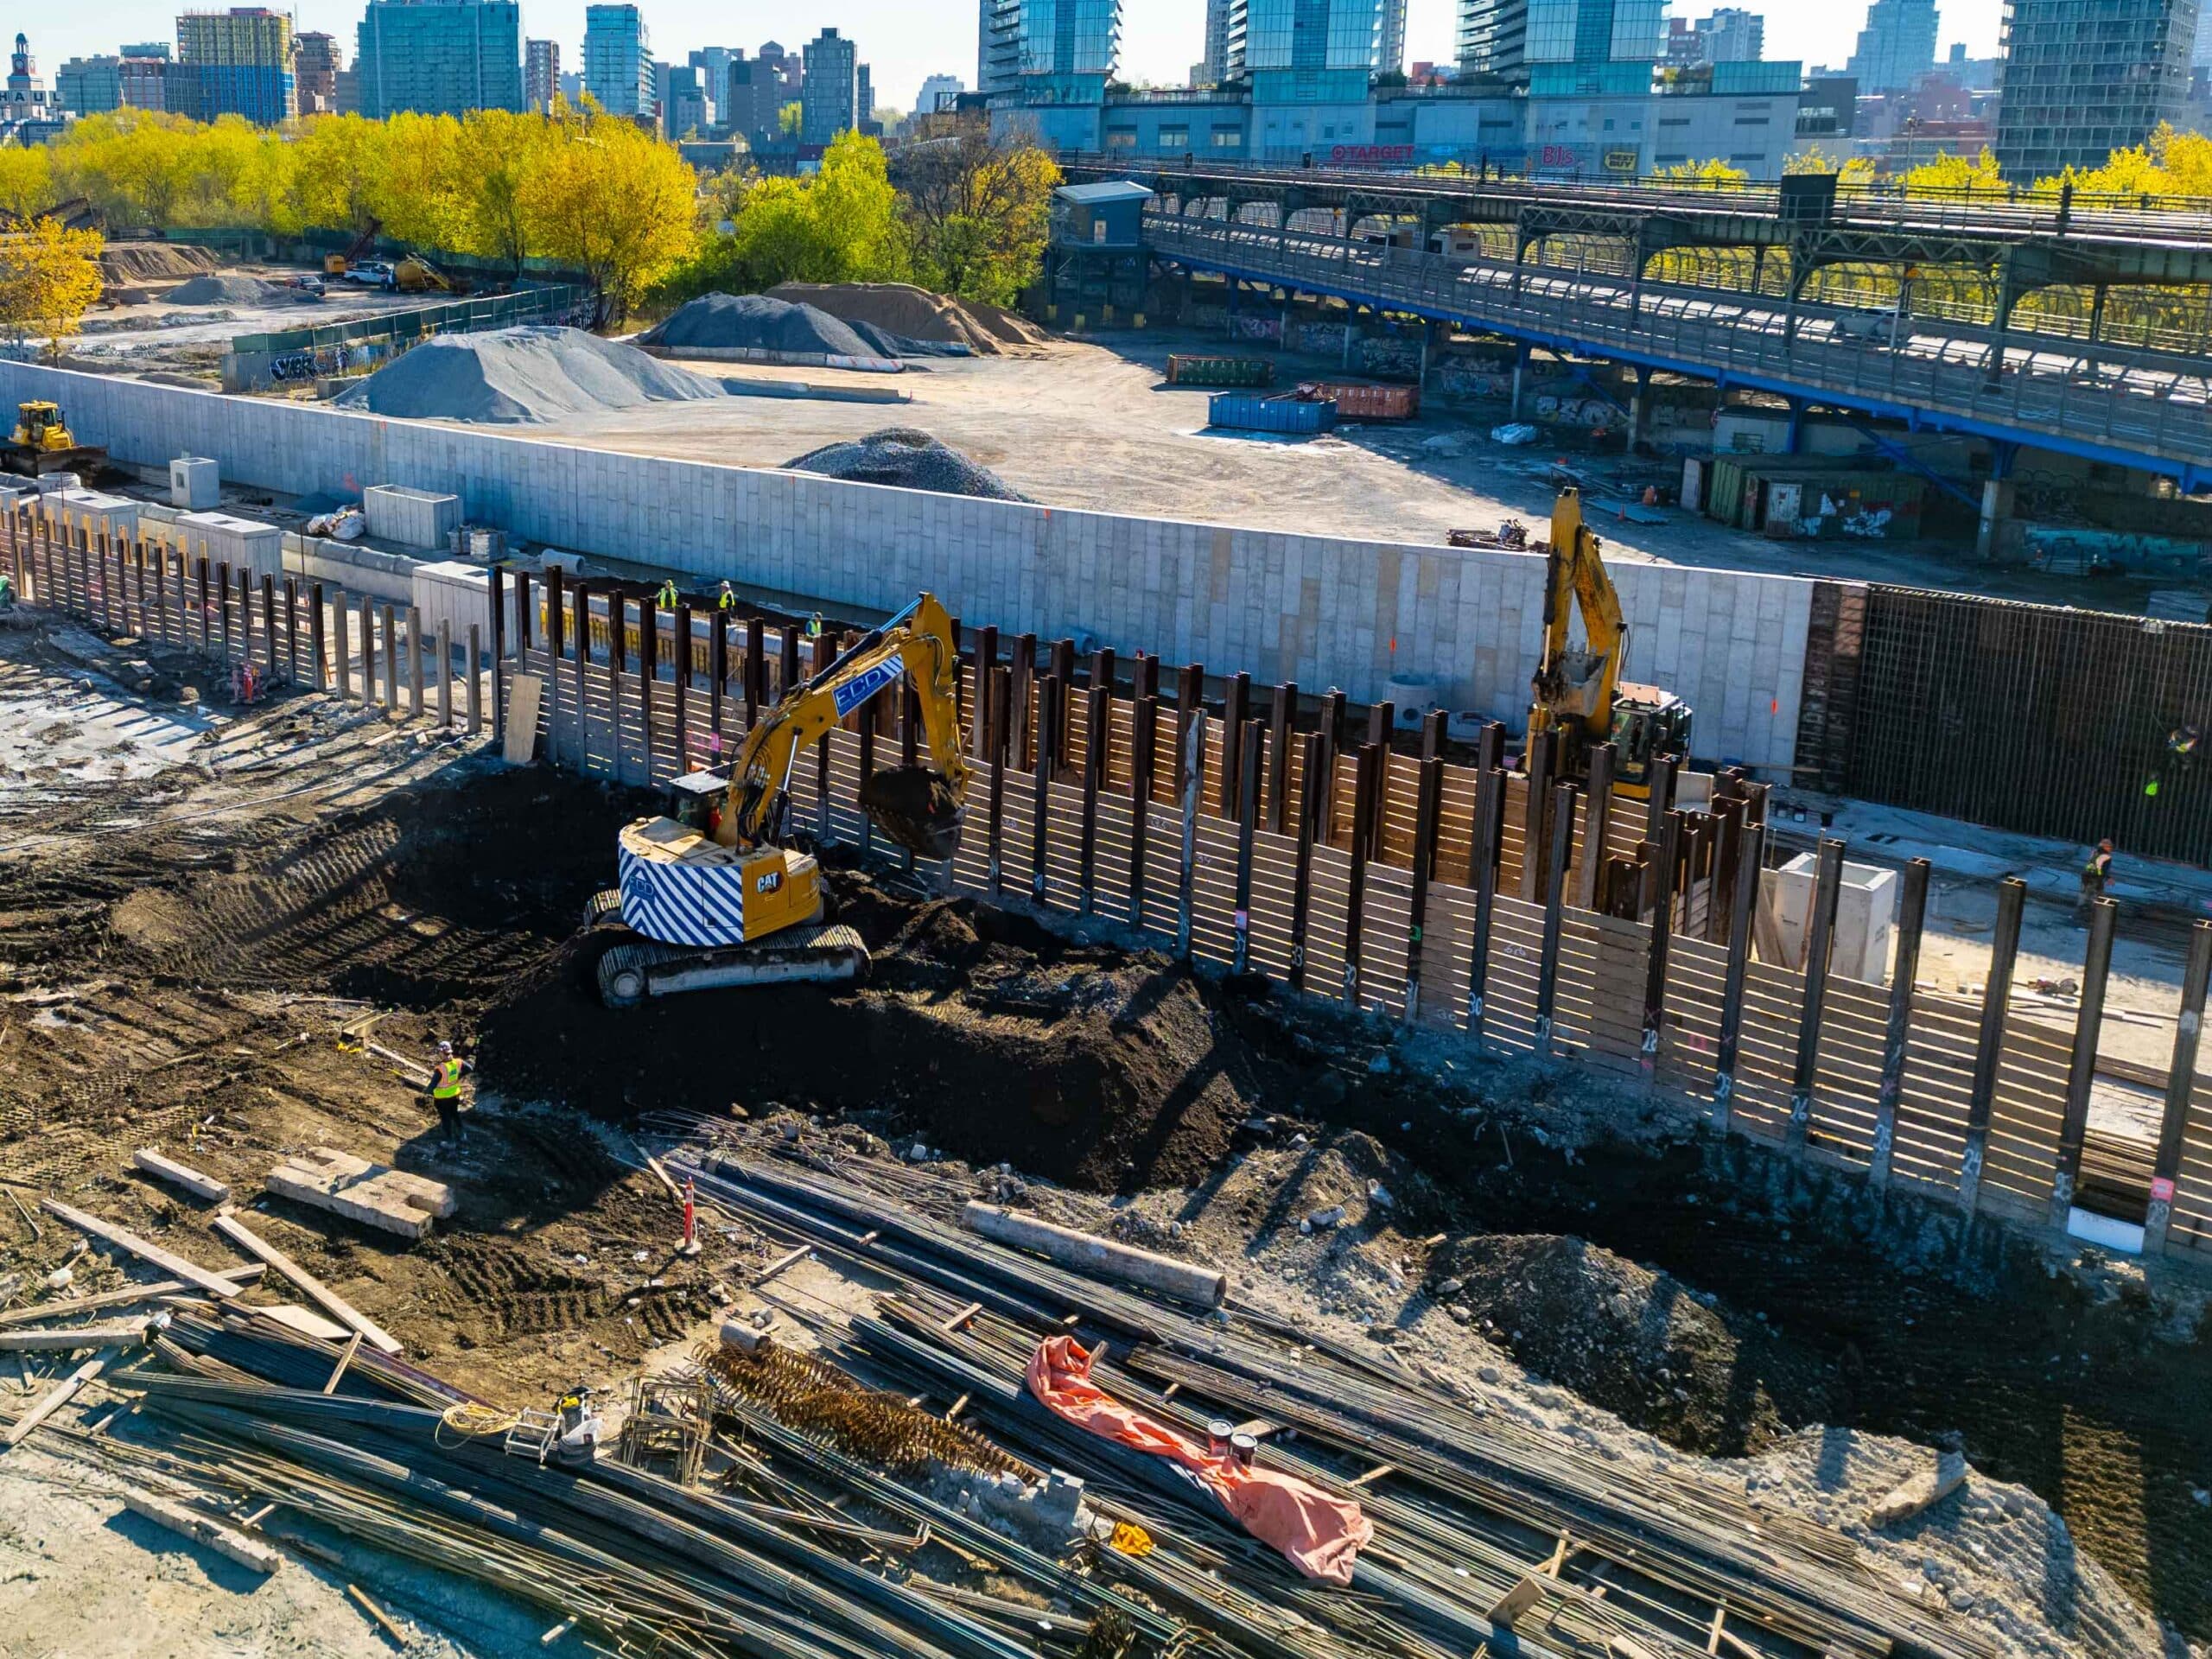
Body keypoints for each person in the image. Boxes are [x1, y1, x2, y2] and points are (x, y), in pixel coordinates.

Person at [428, 1039, 473, 1145]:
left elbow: (432, 1085)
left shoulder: (441, 1069)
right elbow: (469, 1068)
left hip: (442, 1099)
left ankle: (450, 1142)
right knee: (455, 1114)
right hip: (454, 1096)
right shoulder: (458, 1062)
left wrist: (427, 1091)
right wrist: (458, 1077)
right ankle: (462, 1135)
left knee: (445, 1119)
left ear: (441, 1053)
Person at [2080, 838, 2113, 909]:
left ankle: (2082, 907)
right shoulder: (2107, 857)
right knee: (2098, 895)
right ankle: (2096, 911)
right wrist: (2109, 878)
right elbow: (2104, 869)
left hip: (2086, 875)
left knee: (2085, 893)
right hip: (2096, 878)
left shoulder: (2094, 852)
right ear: (2105, 847)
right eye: (2109, 847)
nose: (2110, 849)